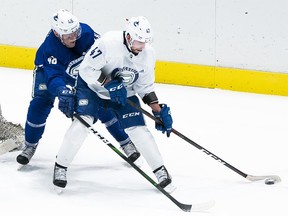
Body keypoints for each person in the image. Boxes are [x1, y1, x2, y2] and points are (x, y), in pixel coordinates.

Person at [53, 16, 175, 193]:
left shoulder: (148, 54)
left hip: (122, 93)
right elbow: (86, 69)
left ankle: (160, 171)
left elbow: (144, 86)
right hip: (92, 89)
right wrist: (107, 82)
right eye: (139, 41)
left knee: (139, 130)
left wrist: (157, 109)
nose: (142, 46)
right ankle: (60, 166)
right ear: (128, 37)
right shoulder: (108, 43)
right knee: (82, 124)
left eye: (145, 42)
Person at [16, 9, 141, 166]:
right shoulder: (50, 49)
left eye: (75, 32)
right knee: (40, 103)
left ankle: (125, 142)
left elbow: (104, 54)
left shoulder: (86, 33)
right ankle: (30, 145)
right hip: (49, 71)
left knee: (101, 103)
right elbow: (54, 77)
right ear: (57, 34)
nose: (74, 37)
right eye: (68, 35)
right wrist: (63, 92)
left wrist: (110, 78)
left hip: (81, 70)